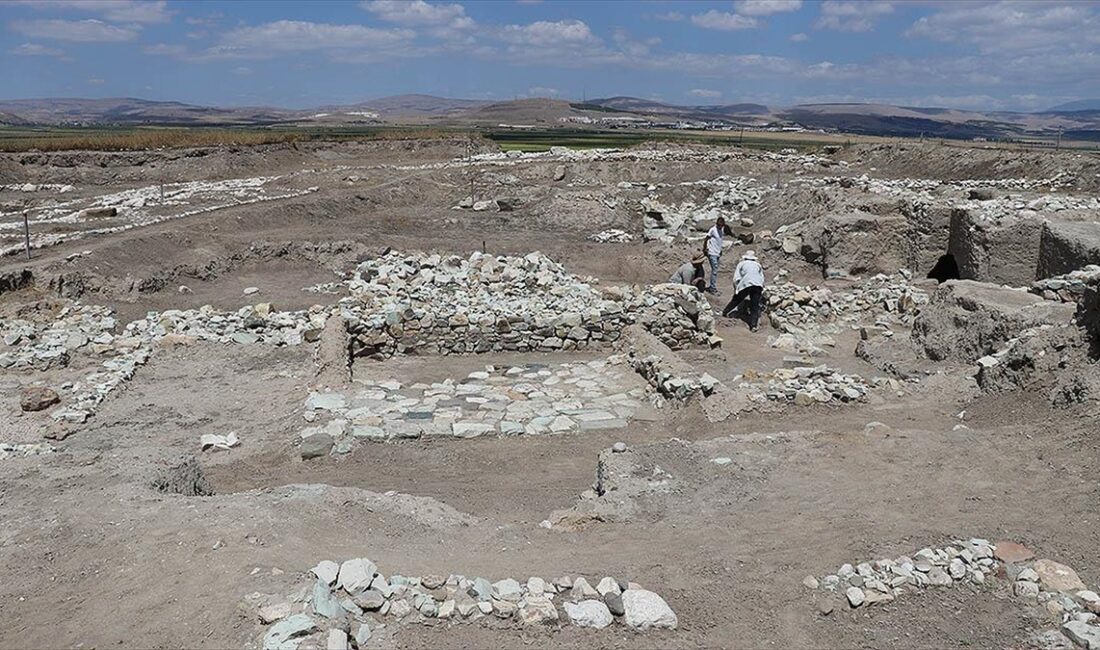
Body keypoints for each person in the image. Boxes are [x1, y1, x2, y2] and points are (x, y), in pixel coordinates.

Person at [722, 250, 765, 331]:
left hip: (746, 283)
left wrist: (736, 289)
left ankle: (725, 312)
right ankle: (753, 325)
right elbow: (762, 278)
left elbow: (736, 278)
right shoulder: (758, 265)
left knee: (737, 299)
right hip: (758, 284)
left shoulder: (741, 264)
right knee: (754, 305)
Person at [704, 217, 731, 295]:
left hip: (717, 252)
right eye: (719, 225)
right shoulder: (713, 229)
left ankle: (712, 286)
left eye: (721, 225)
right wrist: (705, 249)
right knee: (715, 270)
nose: (720, 227)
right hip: (712, 252)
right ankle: (712, 288)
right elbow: (706, 238)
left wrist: (720, 250)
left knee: (715, 270)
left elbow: (720, 240)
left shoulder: (721, 230)